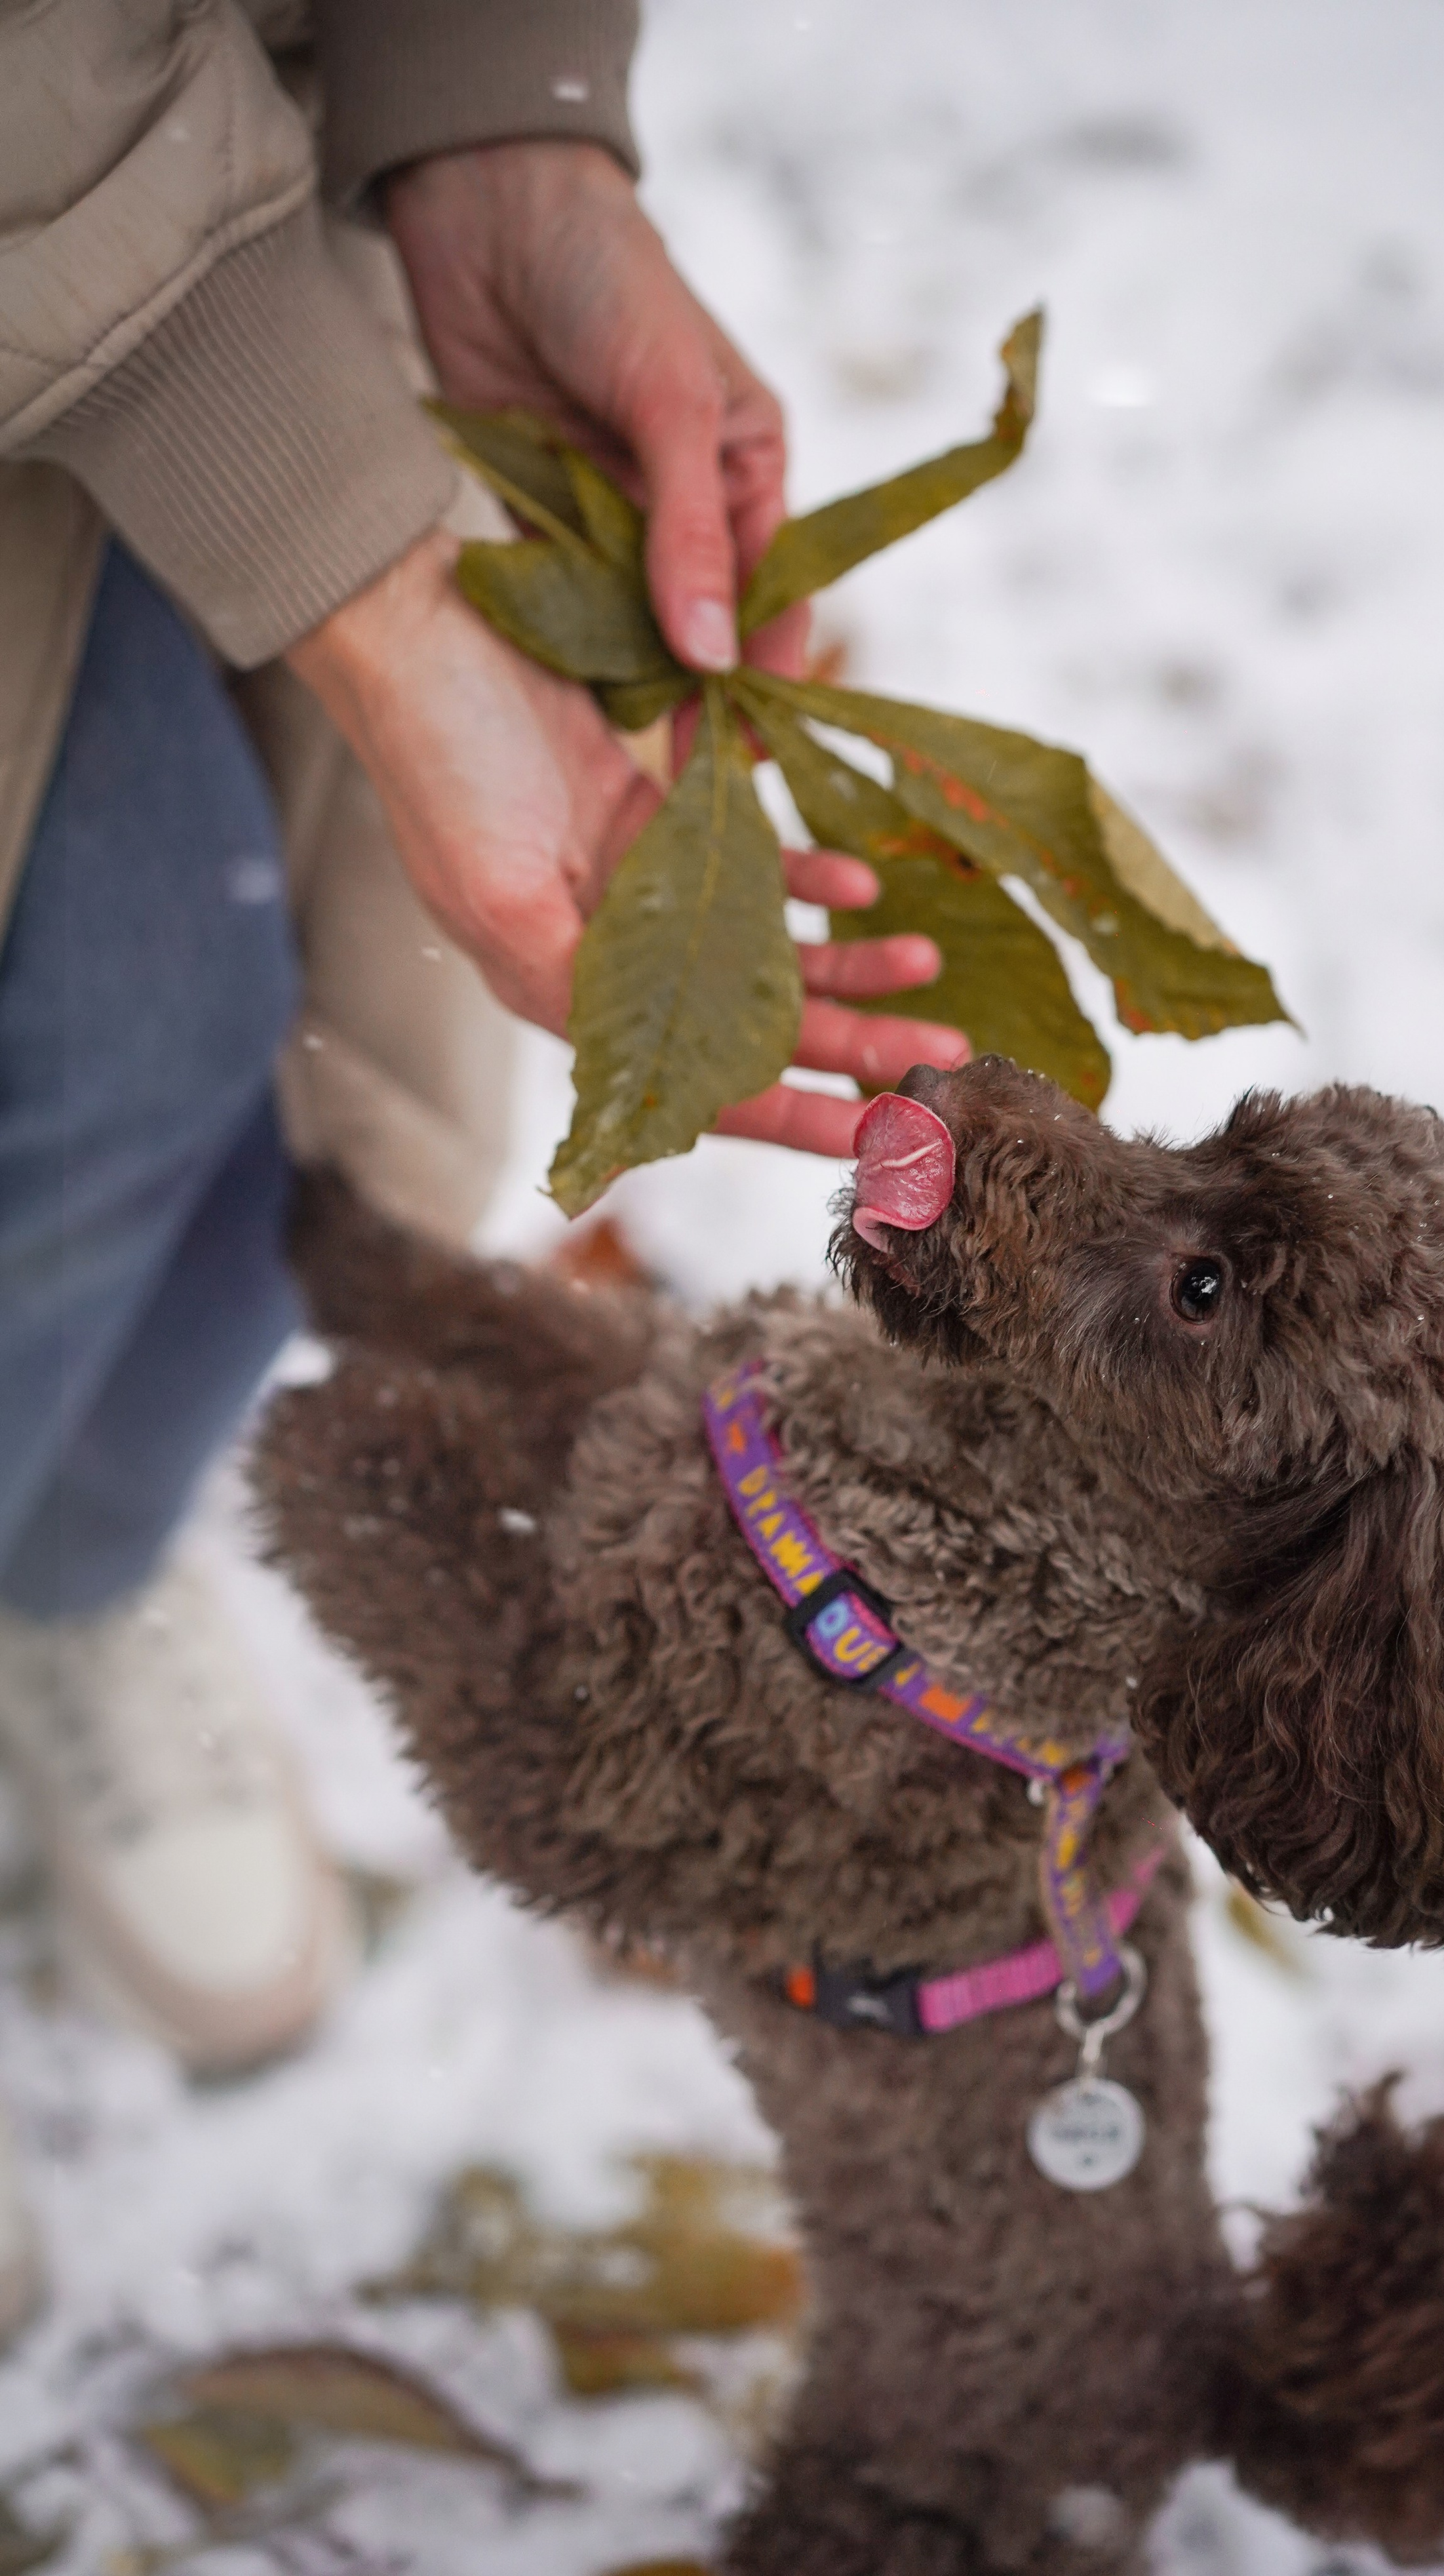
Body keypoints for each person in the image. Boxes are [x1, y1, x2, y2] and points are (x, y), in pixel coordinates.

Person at [0, 0, 967, 2344]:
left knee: (323, 1118)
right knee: (131, 1004)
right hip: (96, 196)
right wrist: (340, 536)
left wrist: (488, 118)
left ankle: (65, 1571)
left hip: (258, 187)